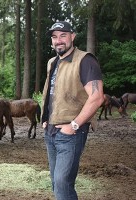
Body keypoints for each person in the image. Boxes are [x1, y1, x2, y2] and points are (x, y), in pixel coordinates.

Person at [41, 21, 104, 200]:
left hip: (71, 134)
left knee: (62, 183)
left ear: (72, 36)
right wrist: (45, 119)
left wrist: (74, 125)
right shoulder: (52, 62)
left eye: (63, 35)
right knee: (56, 182)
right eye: (54, 37)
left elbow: (97, 97)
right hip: (51, 131)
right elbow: (52, 93)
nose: (58, 40)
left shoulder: (85, 60)